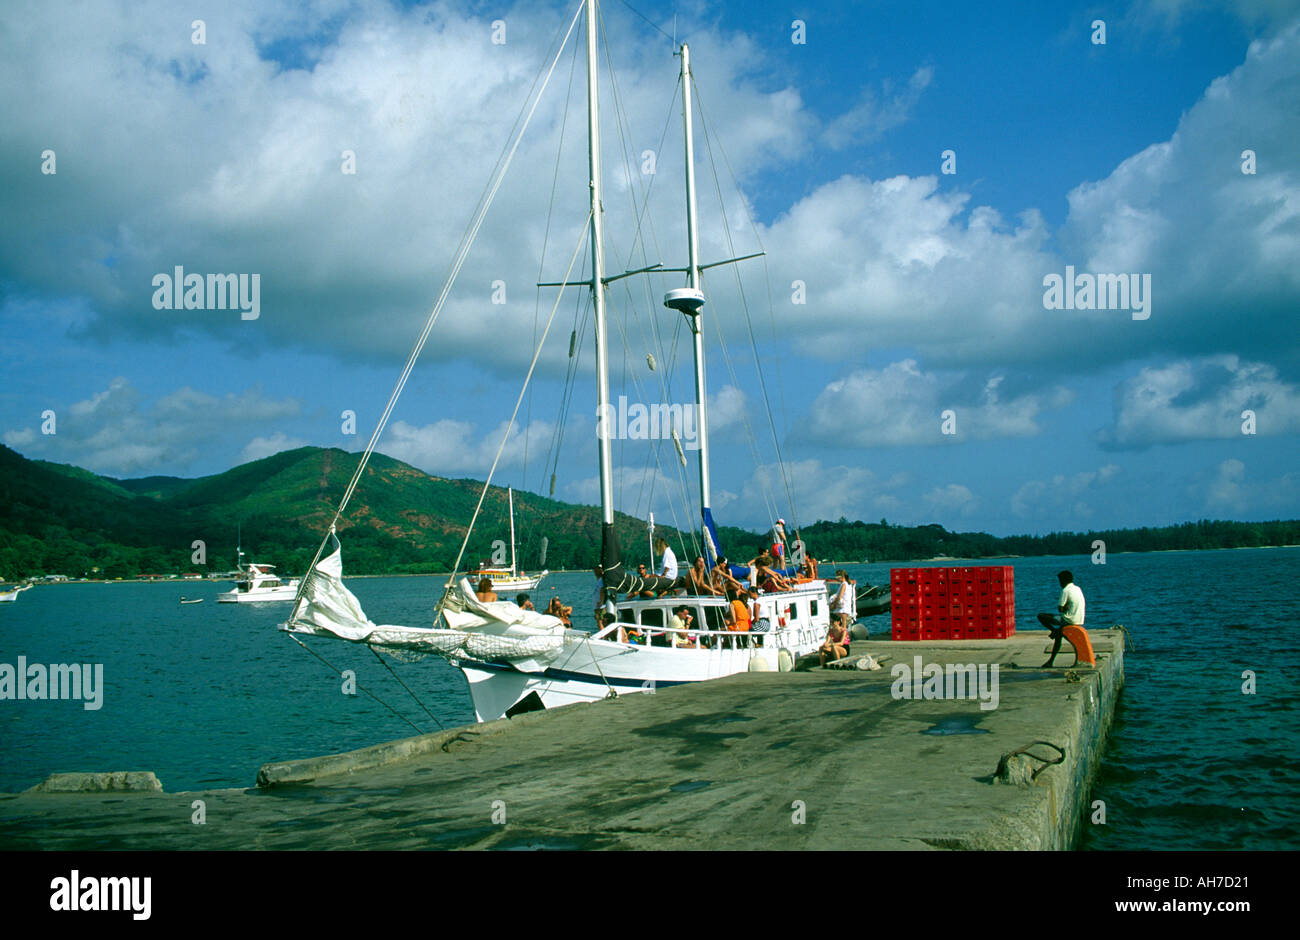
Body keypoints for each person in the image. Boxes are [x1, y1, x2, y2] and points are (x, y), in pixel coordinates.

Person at [1038, 570, 1094, 667]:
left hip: (1068, 620)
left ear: (1063, 580)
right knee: (1059, 636)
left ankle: (1053, 631)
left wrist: (1064, 608)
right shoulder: (1078, 588)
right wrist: (1066, 608)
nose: (1059, 583)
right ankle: (1050, 661)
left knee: (1041, 616)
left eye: (1060, 581)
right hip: (1079, 620)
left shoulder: (1065, 590)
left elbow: (1060, 609)